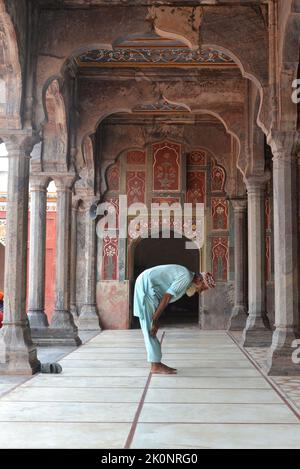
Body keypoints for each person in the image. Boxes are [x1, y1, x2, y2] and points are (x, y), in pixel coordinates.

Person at [133, 264, 216, 375]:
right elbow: (167, 297)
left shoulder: (186, 276)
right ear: (199, 279)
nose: (199, 292)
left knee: (151, 327)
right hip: (147, 287)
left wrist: (156, 319)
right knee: (150, 329)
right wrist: (155, 320)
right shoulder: (186, 277)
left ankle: (156, 363)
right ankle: (155, 365)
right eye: (202, 288)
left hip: (148, 285)